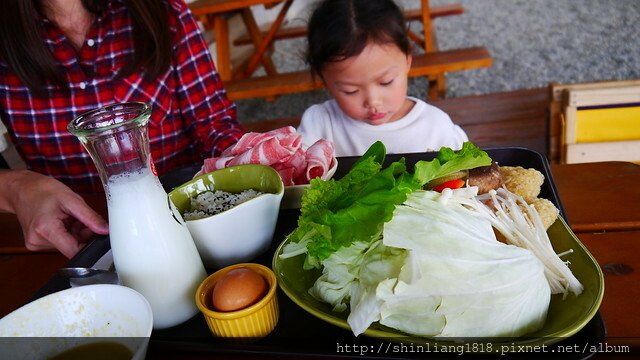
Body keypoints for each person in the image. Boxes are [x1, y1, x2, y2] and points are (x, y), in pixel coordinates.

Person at [0, 0, 245, 258]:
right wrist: (16, 187)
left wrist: (246, 154)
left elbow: (215, 125)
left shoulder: (161, 11)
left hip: (187, 226)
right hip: (77, 250)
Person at [297, 0, 468, 157]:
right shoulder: (319, 125)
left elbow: (468, 178)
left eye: (386, 82)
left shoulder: (436, 127)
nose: (373, 101)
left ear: (408, 59)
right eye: (351, 91)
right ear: (324, 79)